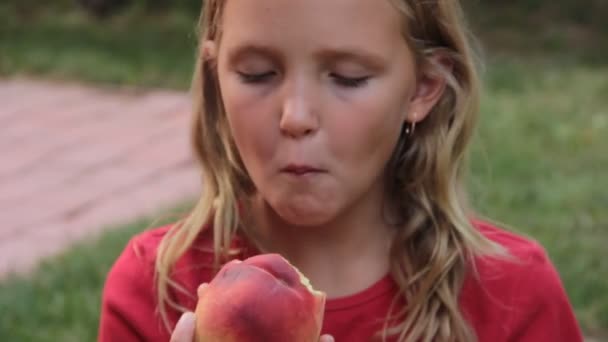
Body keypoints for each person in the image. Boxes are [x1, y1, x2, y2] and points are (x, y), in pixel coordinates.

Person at [98, 0, 584, 341]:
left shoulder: (513, 296)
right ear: (215, 76)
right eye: (257, 74)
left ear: (423, 88)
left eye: (348, 78)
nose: (296, 117)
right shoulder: (157, 290)